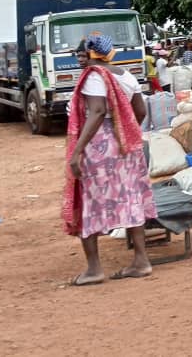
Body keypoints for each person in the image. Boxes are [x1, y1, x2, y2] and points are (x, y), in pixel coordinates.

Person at [62, 34, 157, 286]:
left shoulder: (94, 76)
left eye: (81, 55)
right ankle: (141, 261)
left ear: (93, 54)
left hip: (98, 147)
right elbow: (140, 112)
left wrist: (78, 150)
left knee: (88, 200)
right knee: (130, 197)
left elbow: (97, 111)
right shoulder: (126, 76)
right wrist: (124, 132)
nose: (79, 60)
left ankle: (94, 269)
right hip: (126, 147)